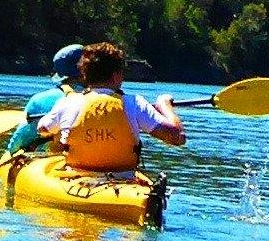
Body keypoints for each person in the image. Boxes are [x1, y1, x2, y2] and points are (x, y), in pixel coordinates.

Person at [36, 42, 184, 174]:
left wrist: (60, 128)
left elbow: (42, 129)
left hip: (76, 175)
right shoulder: (135, 103)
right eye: (121, 73)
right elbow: (177, 137)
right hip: (123, 177)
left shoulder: (68, 102)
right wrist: (164, 105)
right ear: (115, 76)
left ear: (84, 75)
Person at [3, 44, 86, 158]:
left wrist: (10, 153)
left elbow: (17, 142)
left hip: (51, 159)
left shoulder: (39, 100)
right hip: (96, 159)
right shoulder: (105, 98)